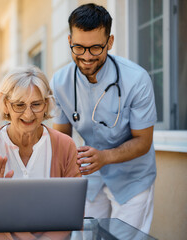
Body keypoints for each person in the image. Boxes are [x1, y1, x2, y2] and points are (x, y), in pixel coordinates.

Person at [50, 3, 157, 234]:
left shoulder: (136, 80)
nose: (86, 57)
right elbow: (61, 138)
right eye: (79, 47)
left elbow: (143, 141)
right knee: (85, 236)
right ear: (69, 40)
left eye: (95, 48)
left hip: (132, 181)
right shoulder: (60, 82)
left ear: (110, 42)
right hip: (91, 180)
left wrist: (104, 156)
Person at [0, 66, 81, 221]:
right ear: (6, 105)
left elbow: (74, 207)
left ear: (46, 105)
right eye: (19, 105)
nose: (28, 114)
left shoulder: (65, 145)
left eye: (36, 104)